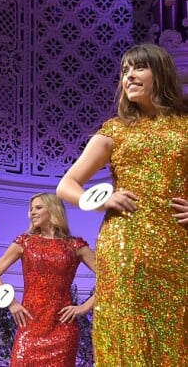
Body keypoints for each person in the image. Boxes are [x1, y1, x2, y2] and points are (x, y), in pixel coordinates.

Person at [56, 43, 188, 366]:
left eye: (138, 68)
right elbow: (66, 186)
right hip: (123, 246)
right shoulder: (114, 131)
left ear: (160, 74)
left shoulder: (184, 127)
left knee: (172, 333)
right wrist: (101, 200)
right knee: (124, 330)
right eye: (125, 70)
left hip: (175, 246)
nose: (129, 76)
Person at [0, 193, 96, 366]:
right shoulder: (25, 242)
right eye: (30, 209)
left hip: (63, 329)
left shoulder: (75, 245)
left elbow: (109, 278)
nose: (32, 213)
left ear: (53, 209)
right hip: (30, 326)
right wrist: (12, 303)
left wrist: (84, 307)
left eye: (38, 208)